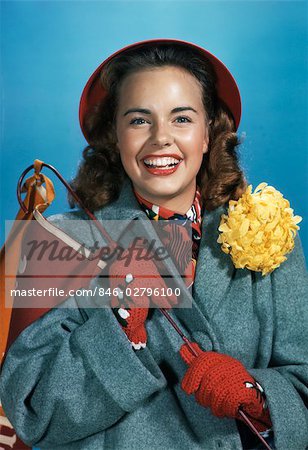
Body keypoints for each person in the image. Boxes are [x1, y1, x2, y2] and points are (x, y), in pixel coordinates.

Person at [0, 39, 307, 450]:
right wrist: (120, 325)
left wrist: (260, 395)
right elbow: (31, 411)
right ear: (116, 137)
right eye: (139, 121)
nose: (161, 138)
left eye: (181, 119)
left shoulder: (270, 233)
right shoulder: (59, 241)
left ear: (208, 135)